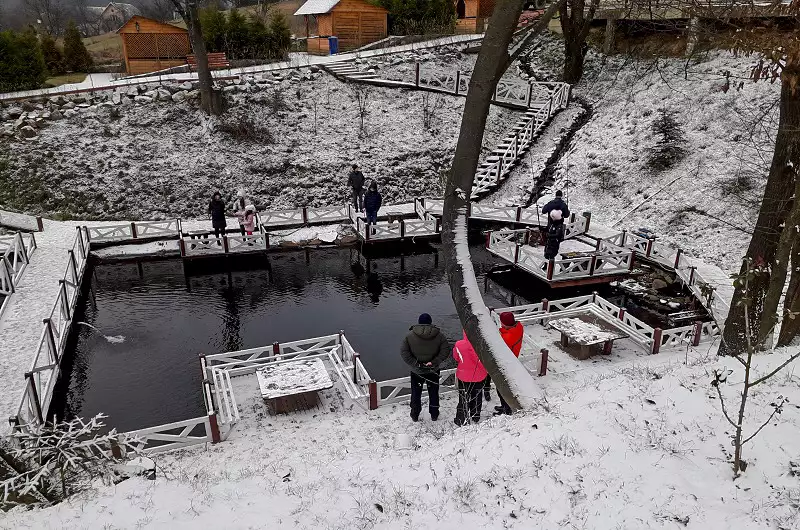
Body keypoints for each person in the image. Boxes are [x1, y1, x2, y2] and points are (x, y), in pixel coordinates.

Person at [400, 313, 450, 422]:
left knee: (416, 394)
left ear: (419, 323)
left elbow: (404, 353)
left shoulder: (409, 336)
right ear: (430, 322)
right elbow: (446, 350)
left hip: (417, 371)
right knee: (433, 393)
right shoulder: (439, 335)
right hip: (433, 370)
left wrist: (416, 363)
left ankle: (415, 414)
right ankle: (434, 414)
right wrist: (434, 362)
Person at [453, 332, 487, 426]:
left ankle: (461, 418)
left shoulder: (459, 344)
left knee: (463, 397)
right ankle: (475, 416)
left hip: (463, 375)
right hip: (480, 375)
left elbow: (456, 358)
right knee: (477, 396)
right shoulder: (482, 344)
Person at [494, 312, 524, 416]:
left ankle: (506, 409)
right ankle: (505, 406)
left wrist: (501, 331)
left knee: (502, 388)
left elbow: (498, 346)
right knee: (505, 387)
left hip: (506, 363)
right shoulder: (519, 327)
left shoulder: (507, 337)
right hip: (513, 358)